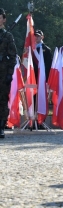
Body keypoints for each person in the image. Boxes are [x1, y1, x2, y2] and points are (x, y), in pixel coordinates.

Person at [0, 8, 17, 138]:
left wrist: (9, 74)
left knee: (2, 100)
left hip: (2, 72)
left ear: (4, 20)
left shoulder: (7, 36)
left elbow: (13, 57)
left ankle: (1, 126)